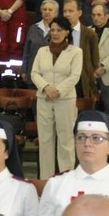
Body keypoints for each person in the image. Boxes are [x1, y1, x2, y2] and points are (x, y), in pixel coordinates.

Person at [32, 18, 82, 176]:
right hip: (44, 98)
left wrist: (57, 91)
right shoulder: (42, 51)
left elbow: (75, 76)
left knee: (65, 141)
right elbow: (34, 73)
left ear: (67, 32)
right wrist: (46, 87)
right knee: (45, 140)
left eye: (59, 30)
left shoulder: (76, 52)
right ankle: (46, 180)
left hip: (65, 100)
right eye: (52, 30)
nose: (55, 33)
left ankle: (66, 177)